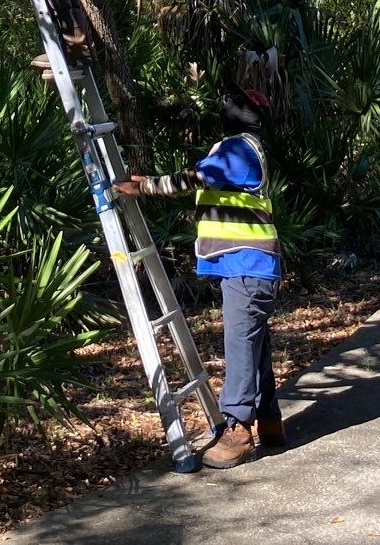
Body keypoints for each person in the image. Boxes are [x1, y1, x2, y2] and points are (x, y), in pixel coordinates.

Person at [114, 86, 283, 468]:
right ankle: (271, 422)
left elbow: (195, 178)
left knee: (241, 345)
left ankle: (239, 429)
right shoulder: (244, 146)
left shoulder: (238, 149)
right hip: (250, 266)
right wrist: (149, 180)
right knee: (255, 344)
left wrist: (142, 187)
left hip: (247, 265)